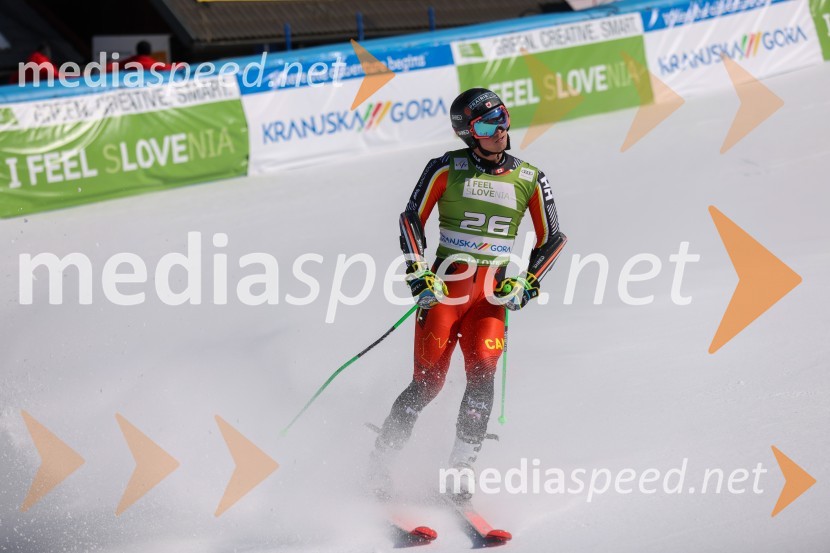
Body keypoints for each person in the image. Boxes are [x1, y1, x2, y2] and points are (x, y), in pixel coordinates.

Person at [368, 88, 567, 500]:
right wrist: (418, 272)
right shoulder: (446, 168)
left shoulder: (530, 177)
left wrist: (528, 282)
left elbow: (554, 238)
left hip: (489, 302)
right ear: (468, 133)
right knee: (427, 384)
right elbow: (411, 219)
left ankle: (460, 469)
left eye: (504, 118)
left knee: (482, 379)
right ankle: (379, 465)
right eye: (489, 125)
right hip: (445, 295)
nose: (502, 131)